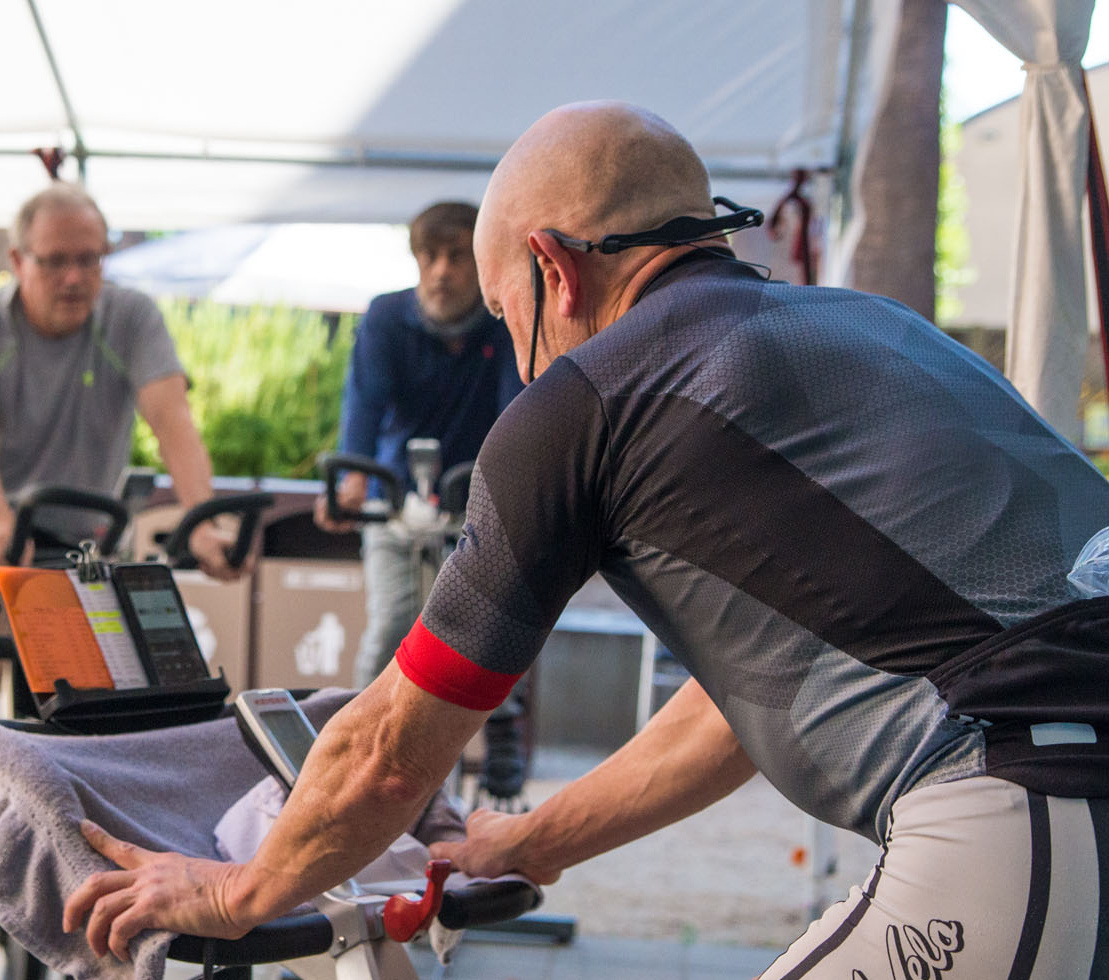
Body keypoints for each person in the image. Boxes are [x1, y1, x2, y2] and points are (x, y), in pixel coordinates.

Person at [63, 102, 1109, 976]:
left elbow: (390, 751)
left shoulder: (585, 402)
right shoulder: (876, 328)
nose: (522, 369)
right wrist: (526, 839)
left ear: (553, 268)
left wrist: (236, 888)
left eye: (509, 318)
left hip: (1030, 792)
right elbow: (747, 703)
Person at [0, 182, 242, 880]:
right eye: (56, 261)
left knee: (139, 639)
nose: (75, 278)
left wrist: (206, 525)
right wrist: (1, 527)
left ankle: (110, 794)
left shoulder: (128, 317)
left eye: (90, 261)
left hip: (82, 535)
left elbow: (174, 426)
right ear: (16, 259)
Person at [316, 201, 520, 686]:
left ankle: (503, 757)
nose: (440, 272)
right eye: (428, 257)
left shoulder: (506, 322)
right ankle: (352, 746)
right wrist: (353, 479)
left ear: (481, 263)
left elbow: (518, 412)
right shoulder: (386, 317)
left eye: (456, 256)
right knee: (391, 626)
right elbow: (364, 404)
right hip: (396, 498)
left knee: (493, 639)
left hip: (476, 500)